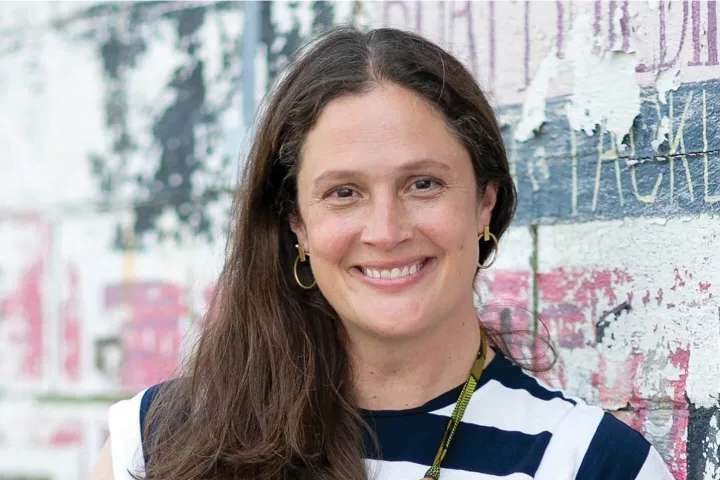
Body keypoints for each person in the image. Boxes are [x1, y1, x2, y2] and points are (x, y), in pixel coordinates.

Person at [90, 26, 673, 480]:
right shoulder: (157, 441)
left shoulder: (591, 462)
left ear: (484, 204)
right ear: (297, 225)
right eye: (344, 193)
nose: (386, 231)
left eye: (423, 184)